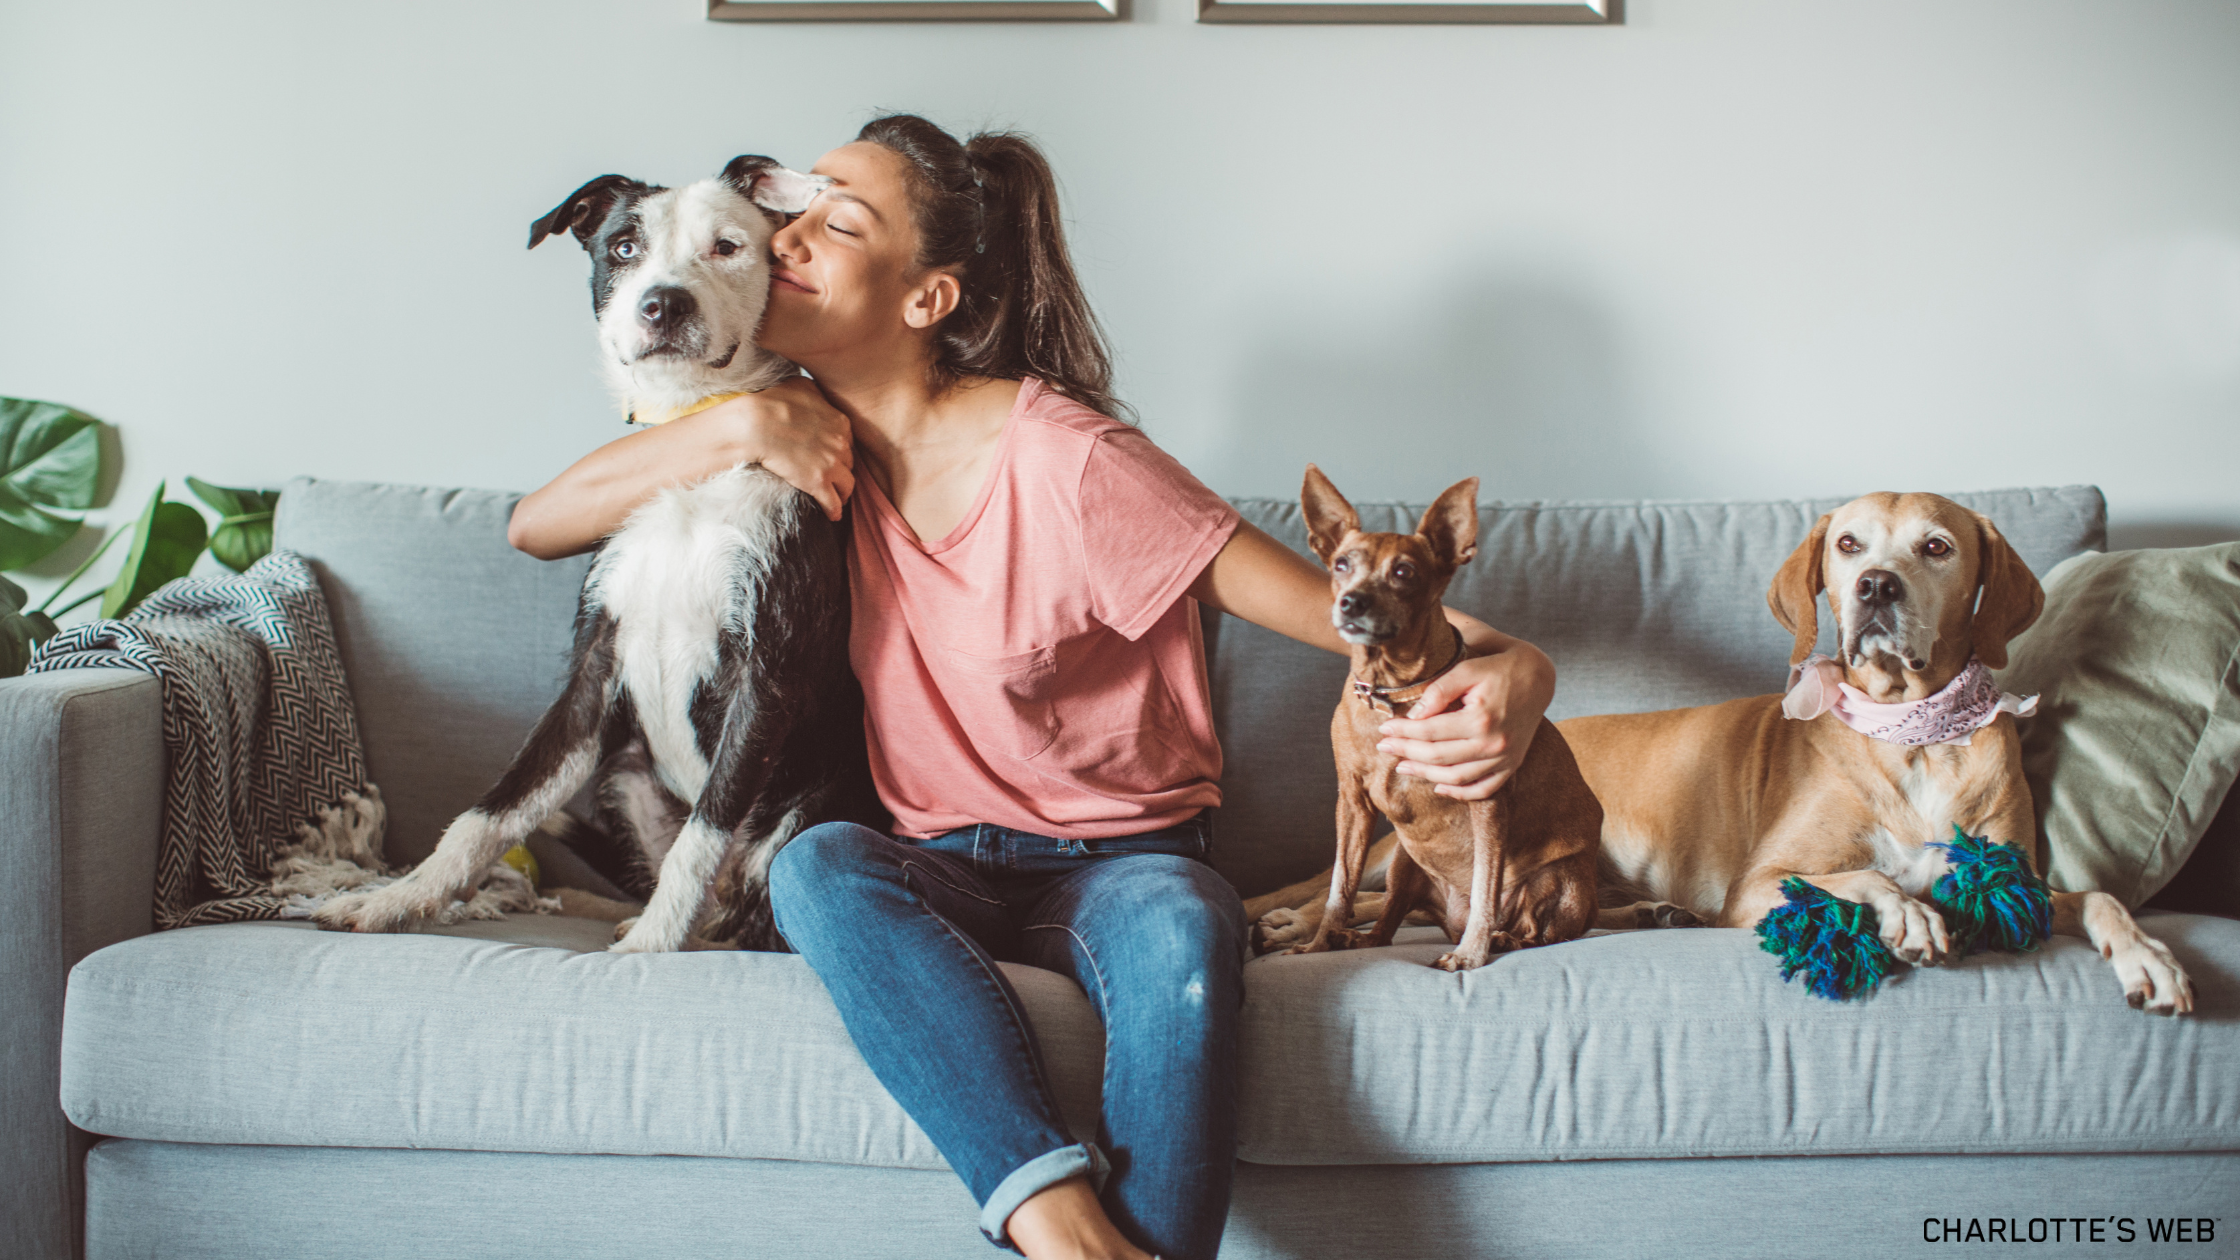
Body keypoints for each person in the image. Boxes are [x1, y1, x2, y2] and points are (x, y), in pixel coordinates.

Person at [506, 114, 1556, 1260]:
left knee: (1184, 937)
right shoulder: (791, 436)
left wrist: (1527, 671)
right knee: (816, 865)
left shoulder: (1072, 463)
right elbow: (536, 524)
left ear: (926, 299)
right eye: (794, 213)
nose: (789, 234)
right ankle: (1060, 1225)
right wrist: (751, 417)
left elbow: (1348, 618)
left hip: (1122, 863)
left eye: (836, 221)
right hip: (930, 857)